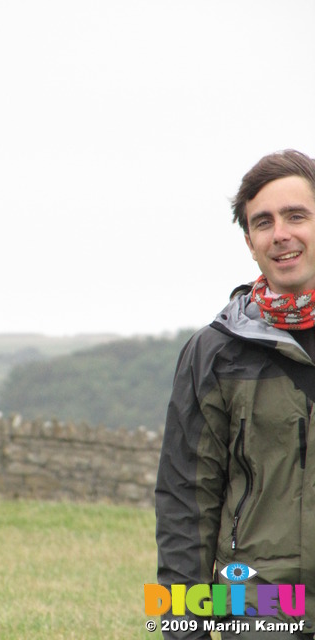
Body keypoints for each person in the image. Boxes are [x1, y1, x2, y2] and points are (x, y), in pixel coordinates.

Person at [155, 149, 315, 639]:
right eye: (263, 222)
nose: (281, 234)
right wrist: (183, 628)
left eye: (296, 216)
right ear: (250, 242)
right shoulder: (214, 352)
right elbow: (185, 501)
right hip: (264, 608)